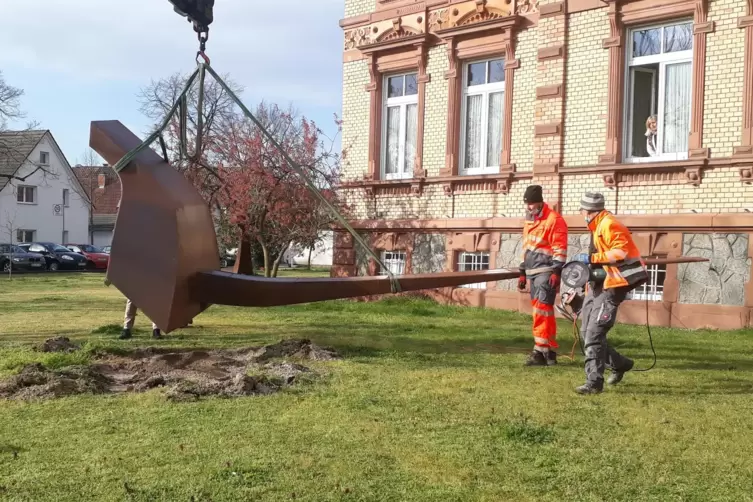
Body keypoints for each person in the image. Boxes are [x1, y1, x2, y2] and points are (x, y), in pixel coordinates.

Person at [576, 192, 648, 394]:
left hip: (613, 285)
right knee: (586, 333)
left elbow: (620, 253)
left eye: (581, 210)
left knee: (594, 333)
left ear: (588, 211)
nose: (581, 213)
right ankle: (620, 363)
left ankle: (593, 383)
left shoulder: (609, 224)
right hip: (598, 285)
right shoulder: (596, 225)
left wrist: (592, 258)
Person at [518, 185, 568, 366]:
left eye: (531, 204)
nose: (529, 207)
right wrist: (522, 271)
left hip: (546, 272)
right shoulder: (530, 220)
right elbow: (527, 246)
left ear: (540, 202)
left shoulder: (554, 220)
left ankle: (539, 352)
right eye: (527, 204)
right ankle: (549, 351)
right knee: (544, 313)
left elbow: (560, 247)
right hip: (533, 272)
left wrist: (556, 271)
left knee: (541, 311)